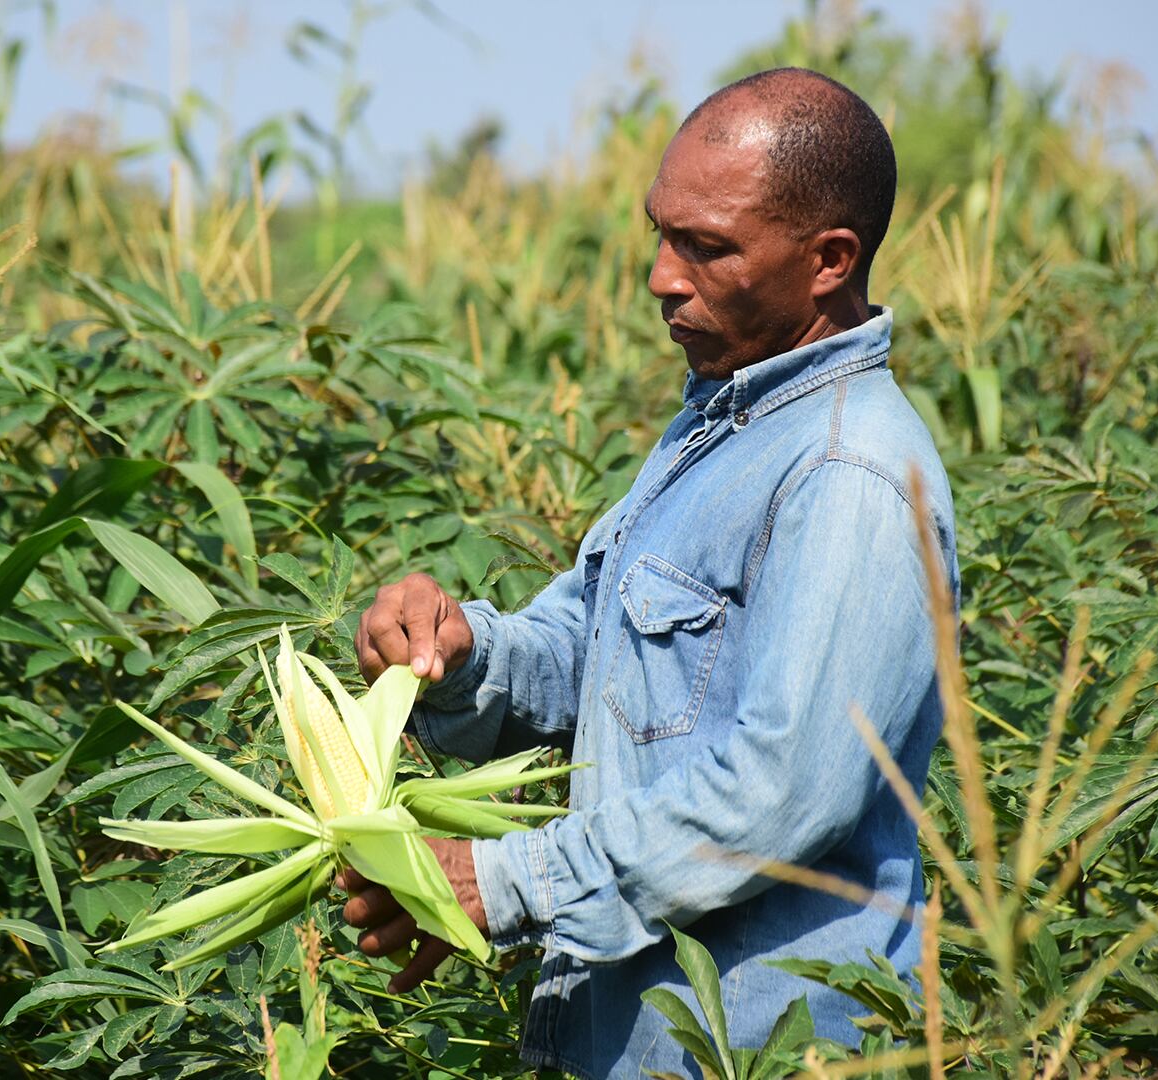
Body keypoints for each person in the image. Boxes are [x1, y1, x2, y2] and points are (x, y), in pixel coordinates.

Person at [341, 66, 957, 1079]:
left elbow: (783, 792)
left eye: (707, 247)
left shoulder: (849, 474)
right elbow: (587, 650)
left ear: (827, 260)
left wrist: (504, 882)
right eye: (660, 233)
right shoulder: (720, 422)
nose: (664, 276)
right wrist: (460, 654)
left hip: (760, 1051)